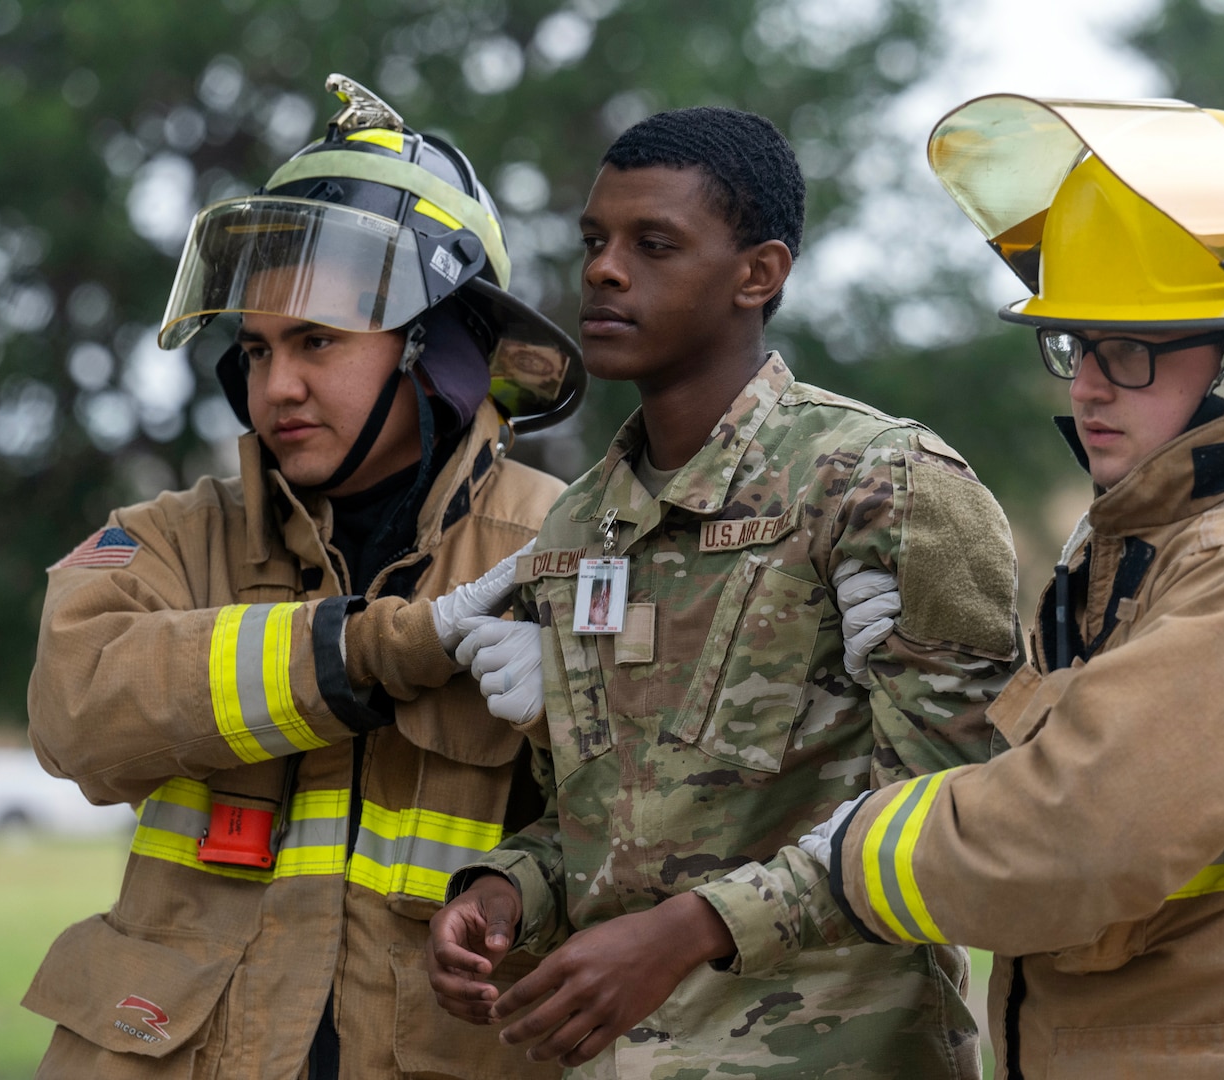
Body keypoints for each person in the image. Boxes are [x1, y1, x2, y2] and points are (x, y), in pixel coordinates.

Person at [809, 95, 1224, 1077]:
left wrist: (838, 856)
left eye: (1127, 349)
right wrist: (924, 663)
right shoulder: (1175, 534)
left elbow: (1075, 834)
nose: (1084, 386)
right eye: (1071, 344)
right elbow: (1087, 754)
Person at [424, 106, 1021, 1077]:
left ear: (759, 274)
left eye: (651, 244)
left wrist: (690, 931)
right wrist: (504, 894)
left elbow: (952, 820)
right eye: (594, 242)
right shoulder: (581, 523)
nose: (602, 271)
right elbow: (612, 811)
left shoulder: (882, 486)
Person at [22, 74, 583, 1079]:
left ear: (434, 348)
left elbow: (670, 837)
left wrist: (579, 704)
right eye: (257, 348)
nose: (276, 386)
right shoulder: (167, 541)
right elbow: (72, 707)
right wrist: (369, 647)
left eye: (317, 341)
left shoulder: (563, 547)